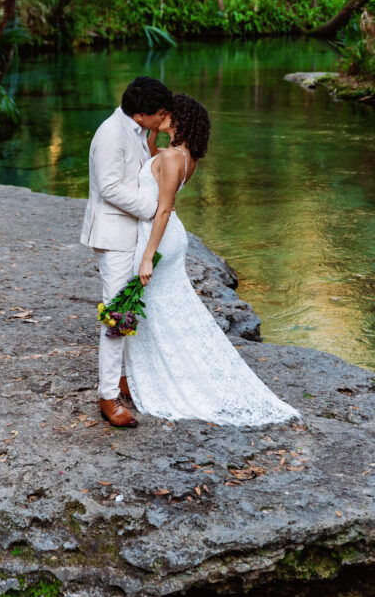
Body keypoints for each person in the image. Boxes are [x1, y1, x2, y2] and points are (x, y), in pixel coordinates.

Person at [125, 93, 300, 427]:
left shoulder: (174, 157)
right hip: (170, 237)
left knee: (155, 308)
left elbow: (163, 209)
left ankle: (166, 378)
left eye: (166, 113)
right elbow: (151, 160)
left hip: (158, 237)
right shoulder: (183, 155)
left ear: (179, 118)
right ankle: (162, 371)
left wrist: (148, 256)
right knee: (167, 309)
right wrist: (150, 128)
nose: (161, 114)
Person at [80, 76, 173, 427]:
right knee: (117, 316)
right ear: (140, 115)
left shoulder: (136, 130)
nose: (163, 119)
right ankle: (107, 397)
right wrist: (155, 207)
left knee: (131, 308)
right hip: (115, 235)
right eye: (160, 114)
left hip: (133, 233)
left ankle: (123, 379)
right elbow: (109, 188)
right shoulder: (110, 134)